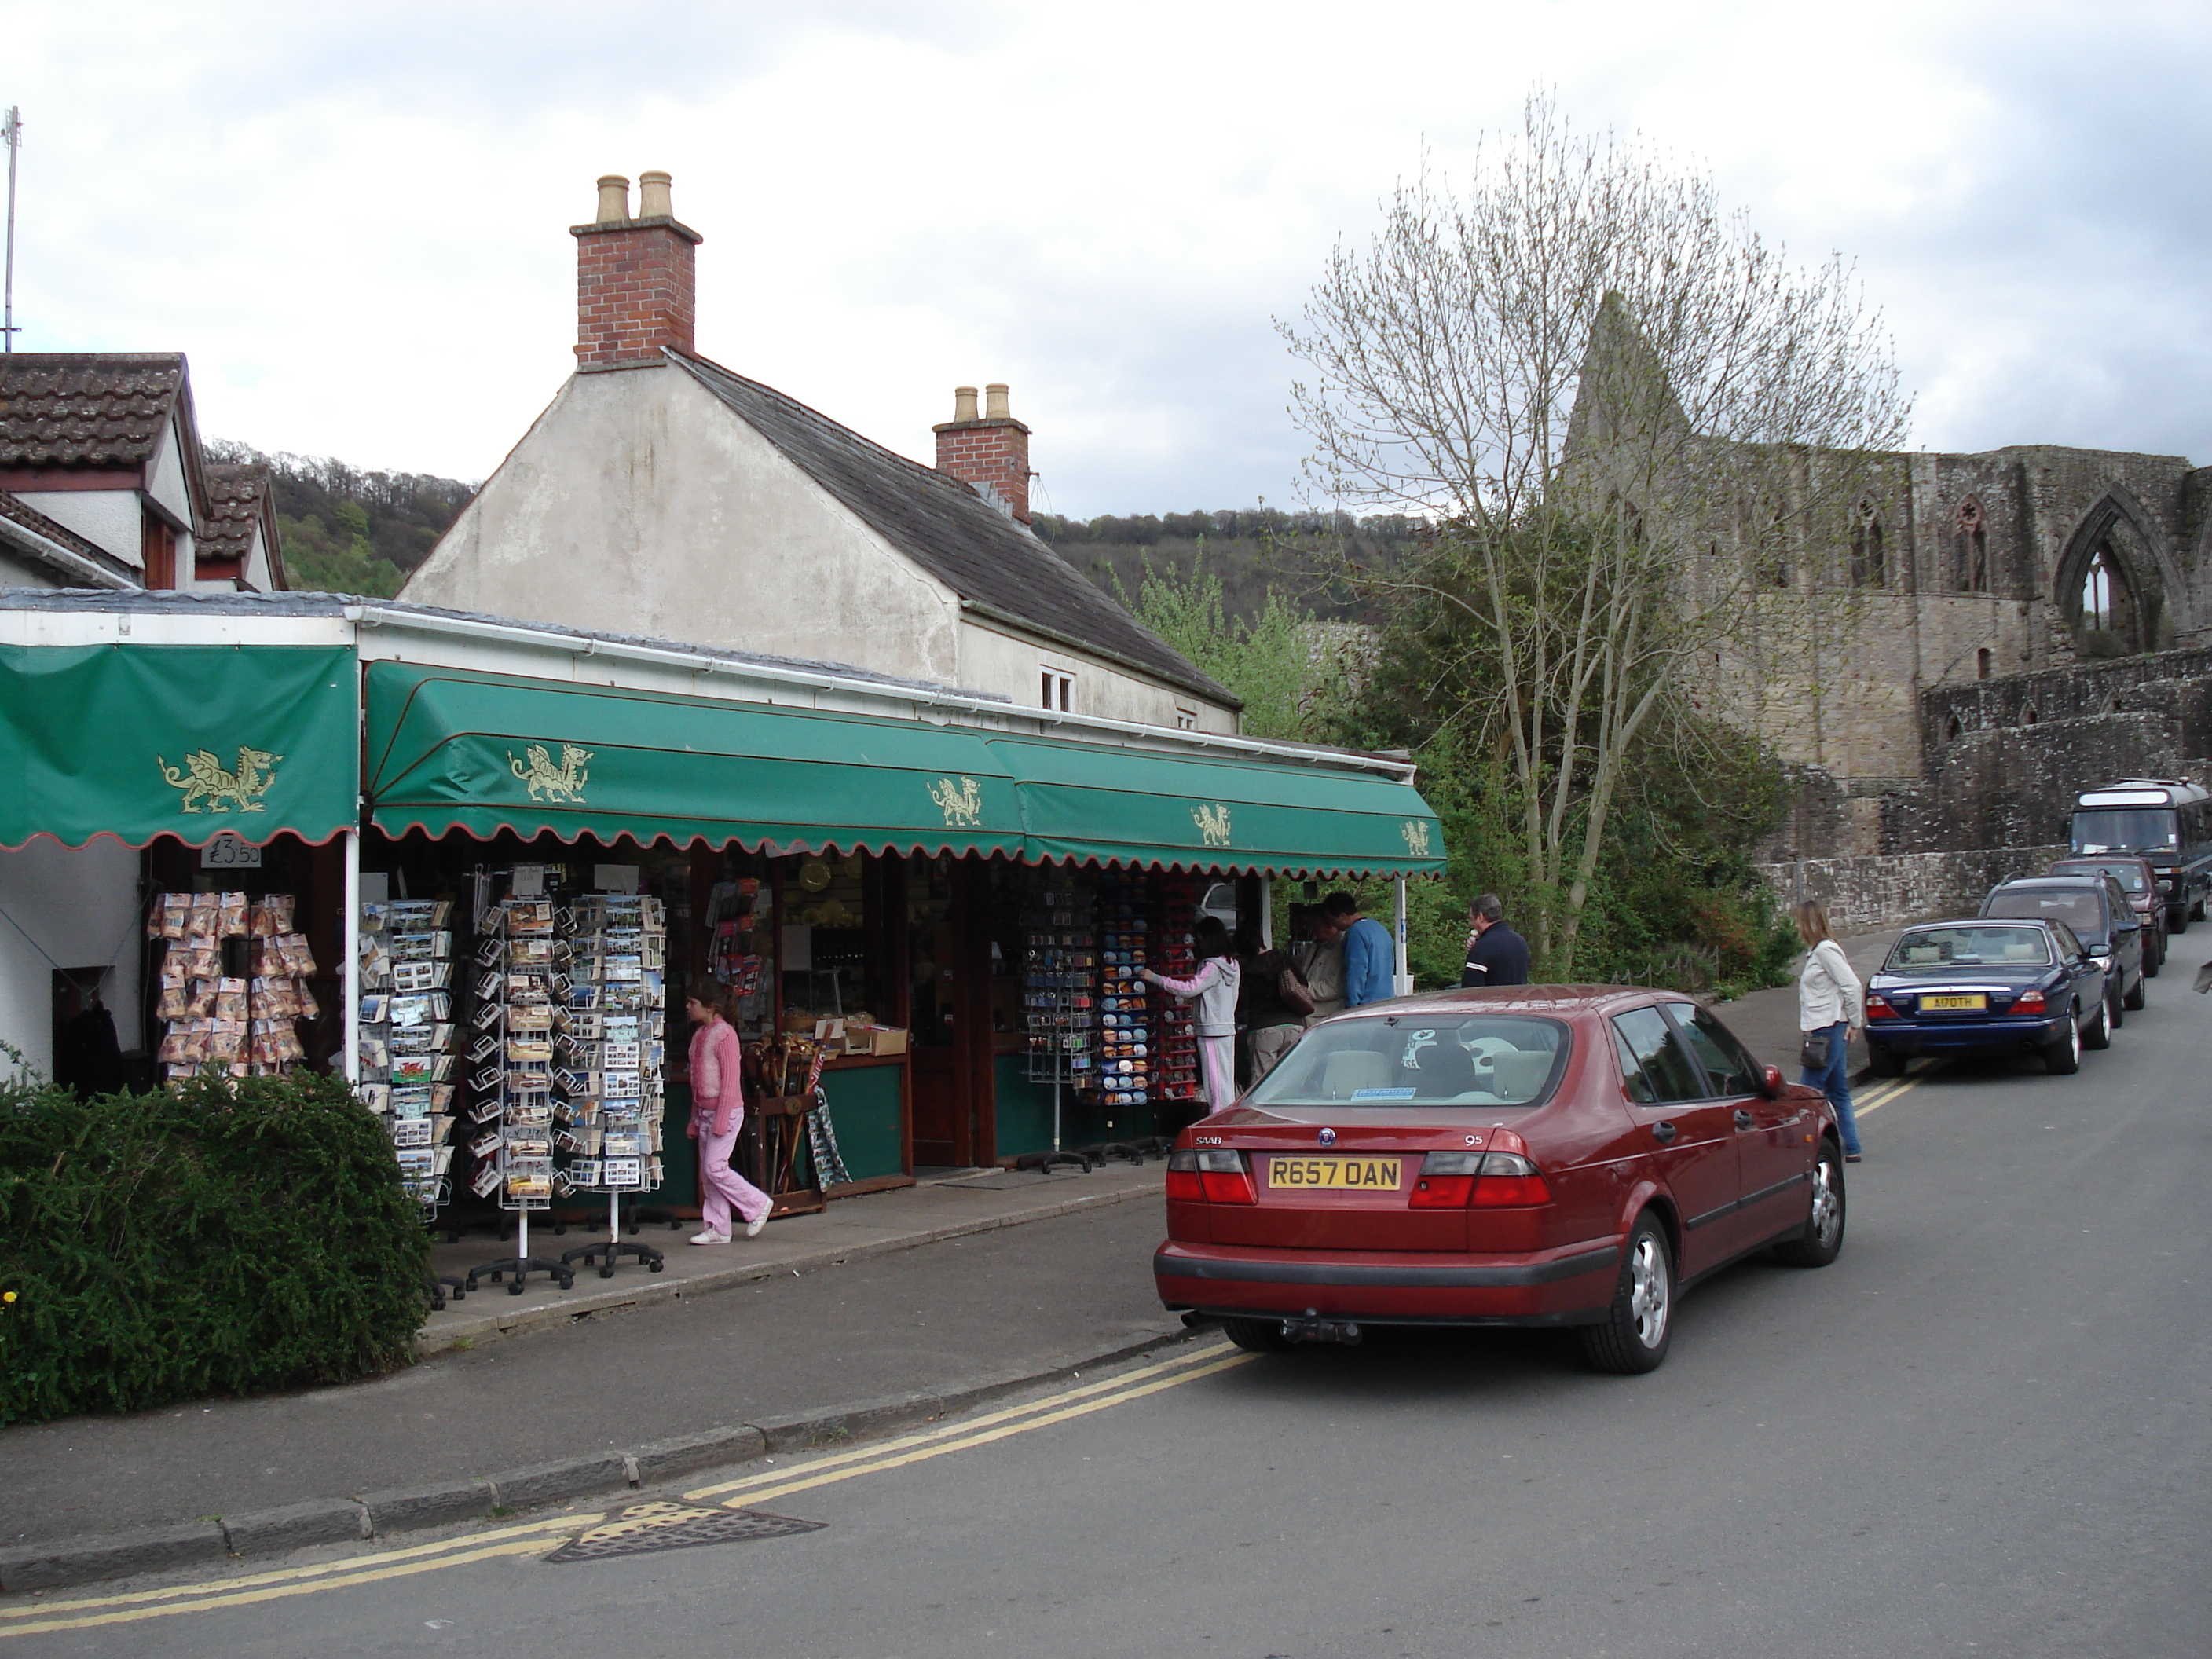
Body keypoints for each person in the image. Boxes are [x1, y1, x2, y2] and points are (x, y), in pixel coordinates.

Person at [685, 983, 773, 1243]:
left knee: (716, 1168)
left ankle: (757, 1204)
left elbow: (730, 1081)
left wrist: (722, 1118)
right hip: (704, 1112)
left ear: (710, 1007)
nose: (688, 1007)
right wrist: (694, 1118)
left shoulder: (725, 1035)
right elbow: (697, 1080)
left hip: (726, 1112)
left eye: (693, 1002)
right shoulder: (700, 1035)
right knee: (707, 1173)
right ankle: (718, 1227)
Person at [1143, 917, 1243, 1111]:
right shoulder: (1232, 964)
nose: (1198, 944)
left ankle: (1218, 1121)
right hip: (1226, 1026)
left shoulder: (1211, 966)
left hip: (1211, 1029)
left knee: (1213, 1081)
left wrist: (1155, 978)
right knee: (1224, 1078)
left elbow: (1190, 988)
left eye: (1199, 939)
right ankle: (1225, 1117)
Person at [1794, 900, 1865, 1164]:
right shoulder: (1817, 952)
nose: (1796, 927)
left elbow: (1852, 987)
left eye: (1799, 921)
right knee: (1837, 1090)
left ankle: (1808, 1150)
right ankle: (1853, 1147)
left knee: (1808, 1092)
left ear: (1808, 923)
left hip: (1827, 1029)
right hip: (1825, 1028)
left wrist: (1854, 1023)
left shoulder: (1826, 951)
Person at [1235, 925, 1310, 1084]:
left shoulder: (1246, 969)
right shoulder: (1282, 958)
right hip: (1293, 1024)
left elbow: (1241, 1002)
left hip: (1264, 1027)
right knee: (1292, 1078)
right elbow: (1303, 983)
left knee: (1262, 1081)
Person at [1324, 892, 1396, 1008]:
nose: (1331, 925)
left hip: (1367, 1006)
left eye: (1331, 920)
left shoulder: (1355, 933)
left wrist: (1352, 1007)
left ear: (1342, 916)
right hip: (1386, 1001)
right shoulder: (1380, 929)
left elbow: (1356, 973)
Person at [1461, 894, 1531, 989]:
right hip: (1516, 1002)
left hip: (1491, 1002)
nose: (1471, 923)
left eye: (1472, 919)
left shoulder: (1482, 948)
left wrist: (1476, 952)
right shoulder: (1520, 942)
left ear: (1481, 917)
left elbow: (1469, 990)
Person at [1292, 906, 1347, 1025]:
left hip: (1326, 1016)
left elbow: (1334, 988)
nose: (1312, 931)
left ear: (1329, 925)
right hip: (1308, 1014)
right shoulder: (1315, 945)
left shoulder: (1342, 947)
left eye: (1315, 926)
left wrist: (1303, 989)